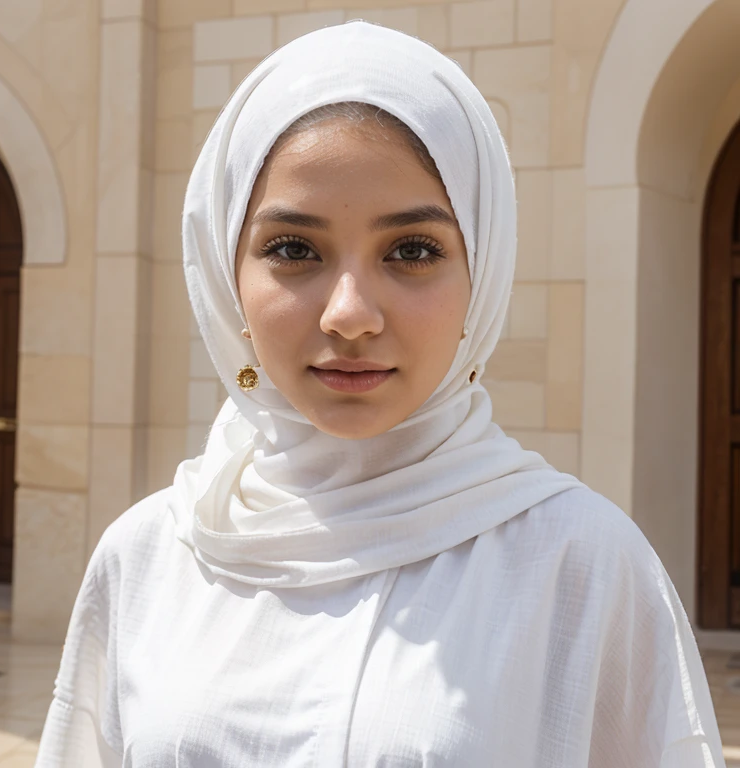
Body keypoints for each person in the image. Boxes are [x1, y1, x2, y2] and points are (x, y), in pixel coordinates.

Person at [35, 21, 726, 768]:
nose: (349, 314)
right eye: (294, 250)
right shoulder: (150, 555)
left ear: (482, 274)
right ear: (225, 272)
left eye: (413, 251)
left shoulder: (580, 566)